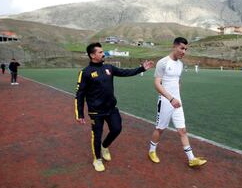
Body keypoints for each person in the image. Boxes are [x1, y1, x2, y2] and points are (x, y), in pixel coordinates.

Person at [75, 42, 153, 172]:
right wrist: (79, 114)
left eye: (103, 51)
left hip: (111, 109)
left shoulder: (109, 68)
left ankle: (105, 146)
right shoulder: (85, 73)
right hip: (96, 112)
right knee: (97, 135)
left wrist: (141, 69)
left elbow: (125, 72)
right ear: (92, 55)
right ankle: (97, 159)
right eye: (100, 52)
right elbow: (79, 94)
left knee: (117, 129)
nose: (103, 53)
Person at [148, 37, 207, 167]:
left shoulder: (180, 64)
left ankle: (191, 158)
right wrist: (171, 98)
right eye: (182, 48)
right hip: (165, 102)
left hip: (177, 102)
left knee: (182, 130)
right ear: (174, 47)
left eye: (186, 49)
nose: (184, 51)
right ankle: (151, 151)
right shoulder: (163, 62)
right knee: (160, 129)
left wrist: (177, 94)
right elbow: (157, 84)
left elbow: (177, 81)